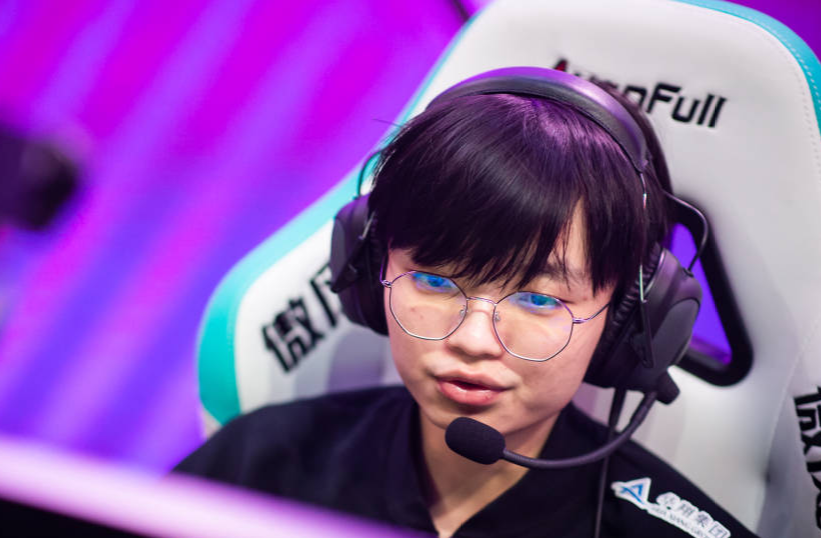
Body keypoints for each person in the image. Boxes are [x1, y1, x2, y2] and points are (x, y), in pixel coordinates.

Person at [175, 68, 758, 538]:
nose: (473, 341)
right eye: (434, 282)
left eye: (537, 298)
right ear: (372, 272)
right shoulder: (261, 463)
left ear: (627, 319)